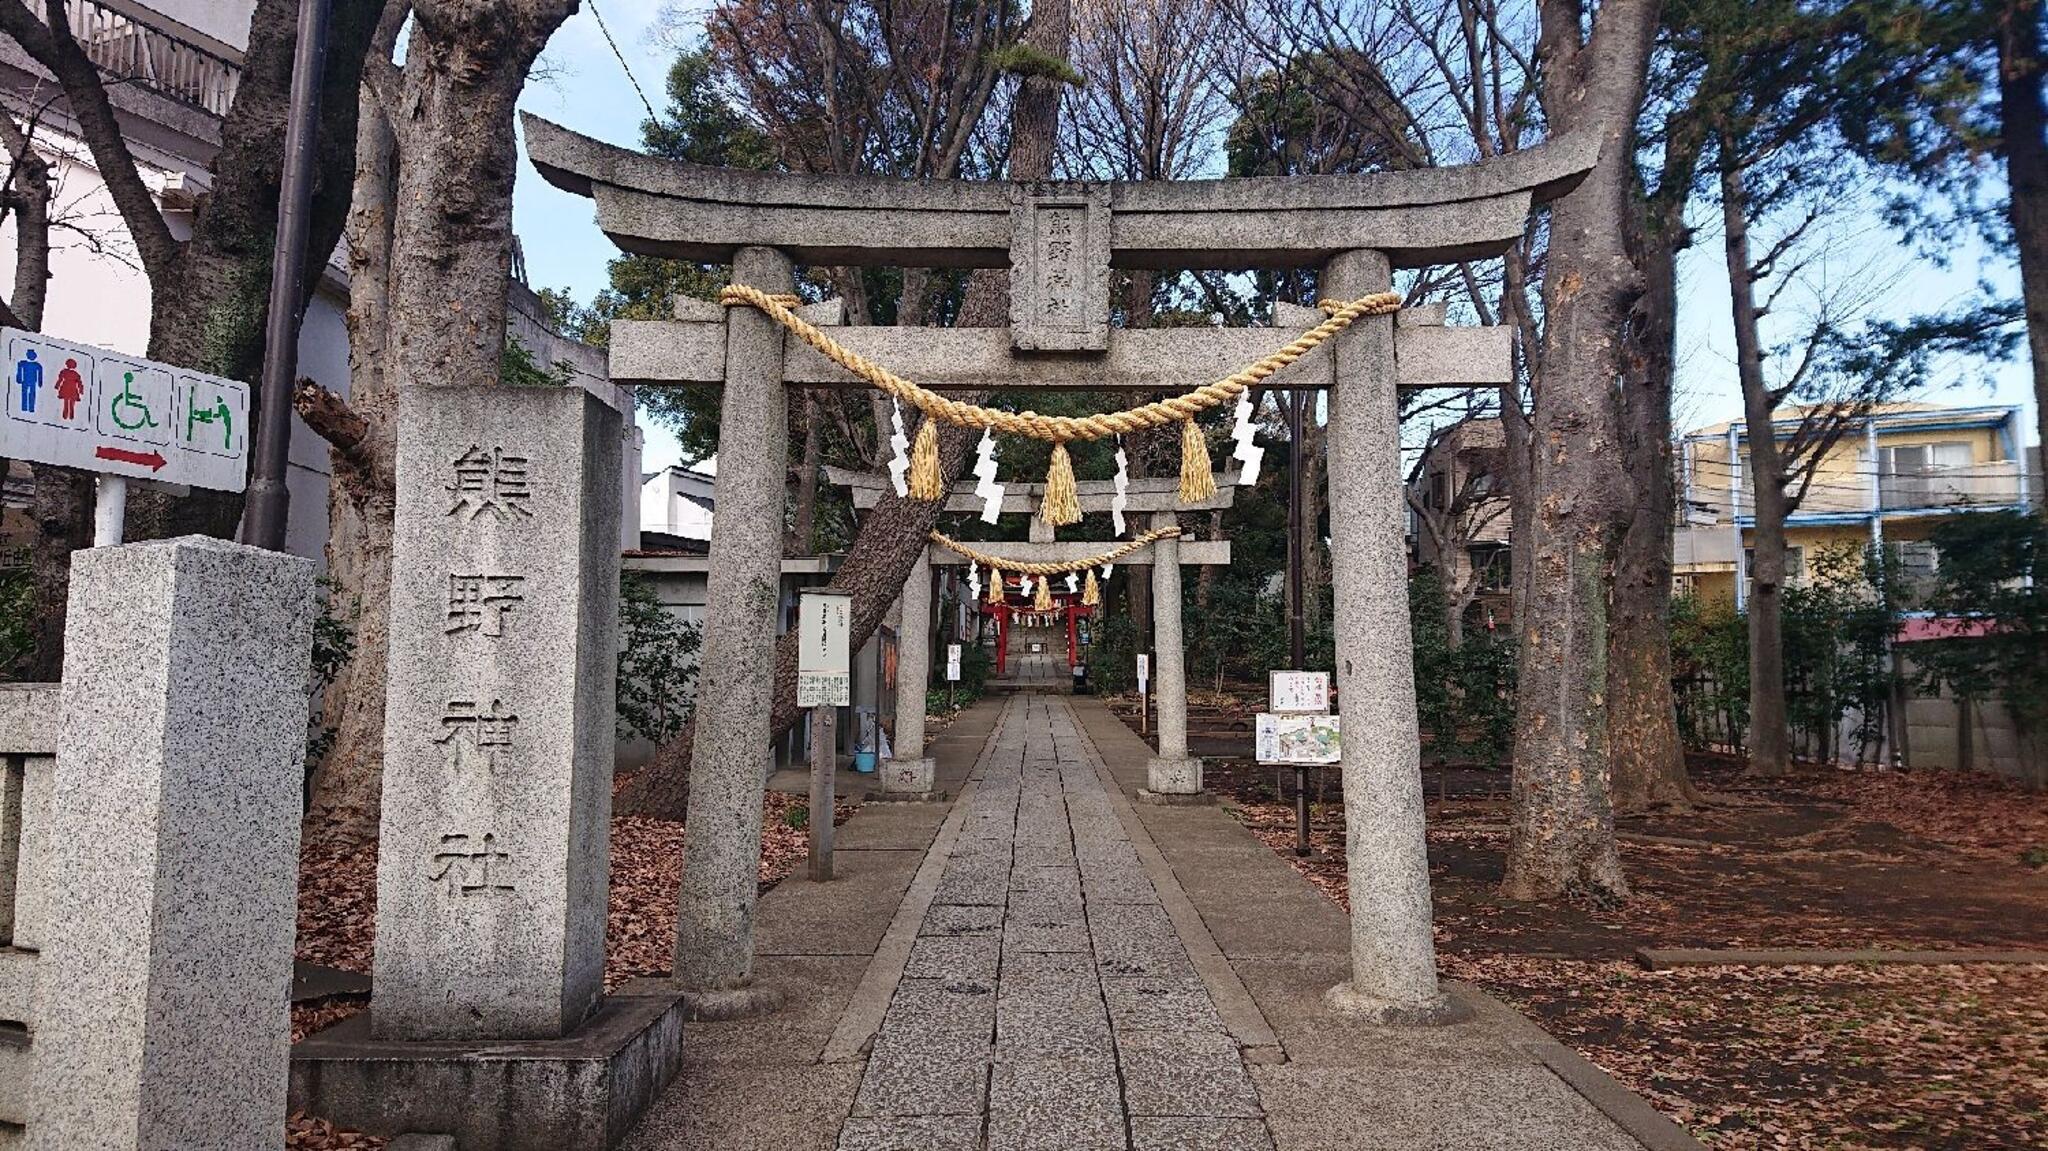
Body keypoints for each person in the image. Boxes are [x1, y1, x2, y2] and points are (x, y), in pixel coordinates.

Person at [14, 349, 40, 413]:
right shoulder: (23, 363)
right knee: (25, 394)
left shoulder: (37, 365)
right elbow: (19, 371)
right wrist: (19, 378)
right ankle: (24, 407)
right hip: (25, 381)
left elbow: (40, 373)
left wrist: (40, 382)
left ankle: (31, 408)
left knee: (32, 394)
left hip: (33, 382)